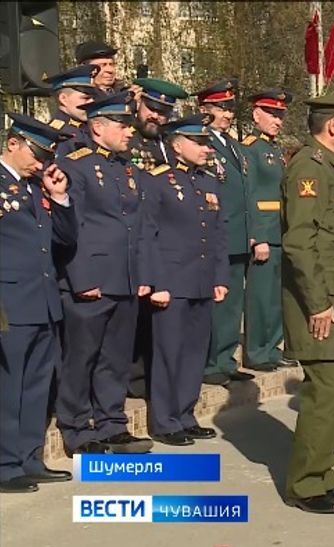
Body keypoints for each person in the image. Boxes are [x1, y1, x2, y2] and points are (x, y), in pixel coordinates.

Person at [280, 92, 334, 515]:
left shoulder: (332, 168)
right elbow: (300, 242)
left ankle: (322, 474)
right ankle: (305, 485)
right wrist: (317, 304)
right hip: (324, 304)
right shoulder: (308, 168)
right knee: (325, 393)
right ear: (332, 126)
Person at [55, 91, 154, 455]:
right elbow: (72, 224)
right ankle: (77, 427)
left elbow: (138, 224)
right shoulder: (76, 164)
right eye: (121, 125)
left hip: (125, 277)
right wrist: (82, 279)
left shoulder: (125, 167)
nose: (129, 132)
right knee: (81, 356)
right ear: (97, 127)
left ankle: (112, 423)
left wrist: (142, 273)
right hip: (92, 279)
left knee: (115, 357)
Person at [139, 113, 229, 445]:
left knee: (194, 352)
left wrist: (221, 276)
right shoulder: (157, 180)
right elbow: (148, 235)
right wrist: (157, 283)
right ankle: (165, 421)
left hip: (202, 278)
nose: (206, 149)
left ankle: (186, 413)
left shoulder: (208, 181)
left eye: (207, 142)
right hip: (171, 281)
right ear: (178, 145)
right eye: (199, 142)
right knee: (168, 352)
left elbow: (219, 232)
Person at [0, 113, 76, 493]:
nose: (42, 162)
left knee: (36, 384)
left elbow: (64, 239)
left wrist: (60, 197)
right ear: (13, 144)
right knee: (7, 386)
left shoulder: (37, 188)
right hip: (9, 301)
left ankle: (30, 458)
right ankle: (5, 465)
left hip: (42, 301)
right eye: (37, 153)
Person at [126, 76, 189, 399]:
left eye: (163, 112)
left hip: (167, 239)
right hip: (135, 235)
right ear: (139, 104)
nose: (157, 117)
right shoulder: (128, 140)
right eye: (152, 108)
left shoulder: (168, 143)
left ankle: (155, 377)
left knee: (161, 317)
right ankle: (135, 379)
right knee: (137, 313)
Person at [195, 79, 255, 385]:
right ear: (204, 110)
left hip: (239, 234)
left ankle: (227, 358)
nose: (228, 114)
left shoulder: (233, 146)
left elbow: (245, 192)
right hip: (219, 233)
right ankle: (211, 362)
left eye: (230, 108)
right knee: (217, 302)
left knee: (233, 303)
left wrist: (252, 232)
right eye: (222, 108)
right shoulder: (202, 143)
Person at [238, 89, 299, 371]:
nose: (278, 120)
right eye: (272, 114)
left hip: (280, 231)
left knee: (275, 296)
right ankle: (257, 351)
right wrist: (258, 236)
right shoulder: (249, 148)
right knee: (260, 297)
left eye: (281, 115)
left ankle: (272, 347)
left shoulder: (273, 149)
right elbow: (249, 195)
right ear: (256, 115)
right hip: (264, 232)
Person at [43, 65, 100, 155]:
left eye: (93, 98)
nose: (92, 102)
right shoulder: (58, 134)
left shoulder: (89, 127)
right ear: (63, 99)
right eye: (86, 98)